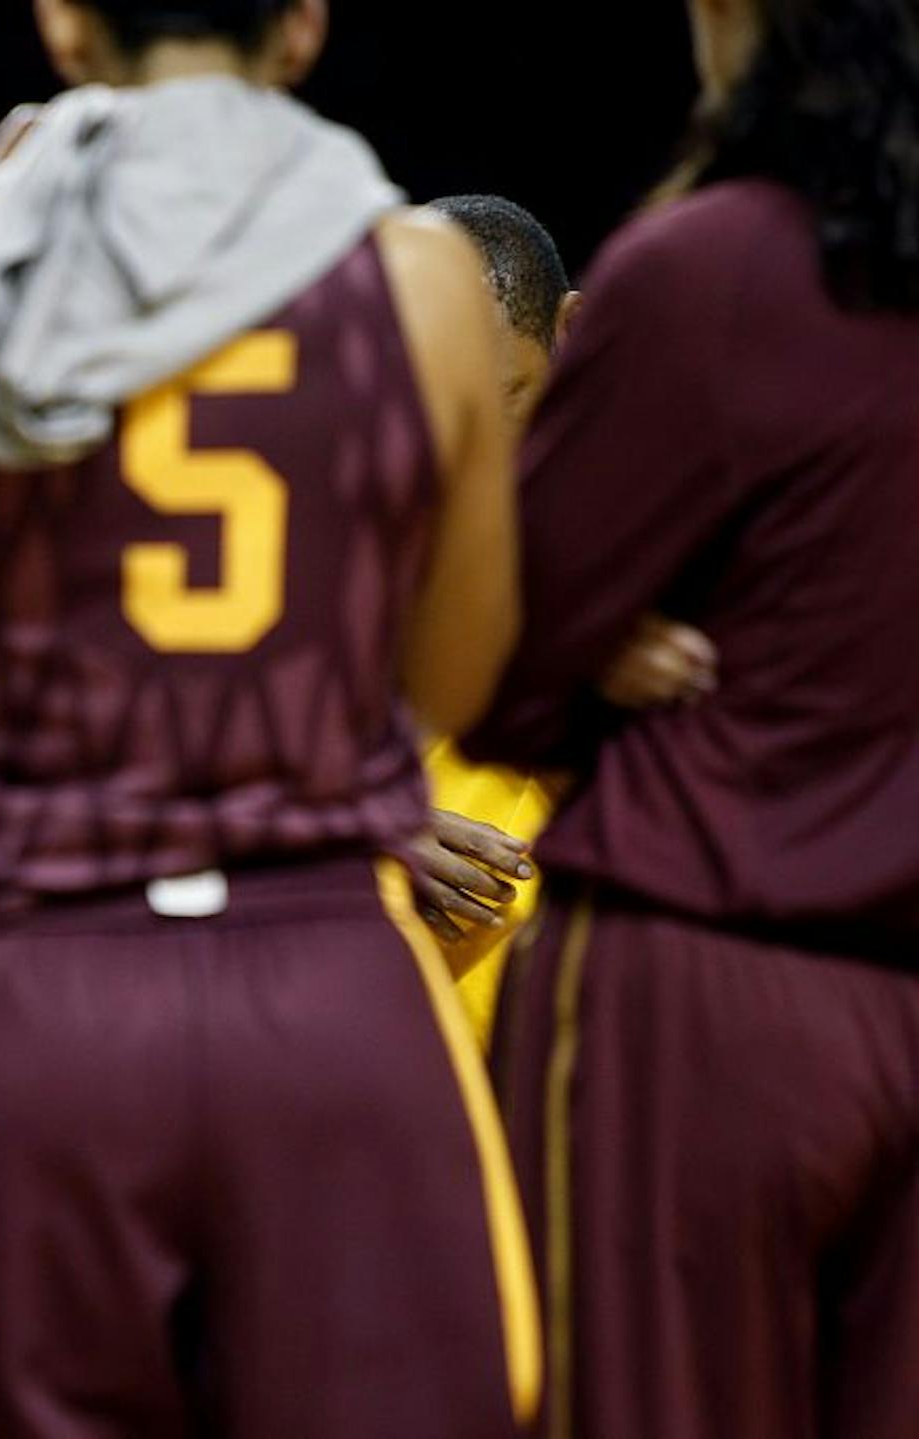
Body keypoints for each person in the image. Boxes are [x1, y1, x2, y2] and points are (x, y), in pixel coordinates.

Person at [0, 2, 538, 1433]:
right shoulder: (425, 279)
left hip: (43, 982)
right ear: (305, 25)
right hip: (330, 984)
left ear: (63, 24)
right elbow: (460, 675)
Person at [464, 1, 919, 1434]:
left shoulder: (708, 261)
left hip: (701, 984)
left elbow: (504, 664)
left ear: (731, 23)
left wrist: (592, 635)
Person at [407, 194, 715, 1047]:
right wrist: (363, 828)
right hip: (411, 1075)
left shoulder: (691, 533)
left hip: (631, 1052)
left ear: (572, 333)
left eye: (496, 401)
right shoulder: (338, 552)